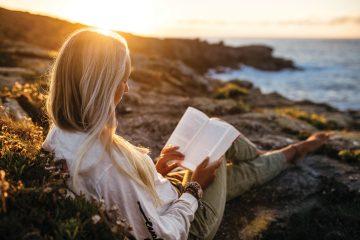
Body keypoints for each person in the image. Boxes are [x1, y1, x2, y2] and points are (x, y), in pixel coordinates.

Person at [42, 28, 329, 240]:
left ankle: (278, 156)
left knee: (228, 168)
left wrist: (154, 171)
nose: (126, 89)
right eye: (122, 80)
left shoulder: (63, 132)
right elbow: (164, 234)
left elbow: (129, 198)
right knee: (218, 137)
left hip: (165, 196)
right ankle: (289, 153)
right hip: (189, 225)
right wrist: (195, 189)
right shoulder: (103, 167)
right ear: (101, 86)